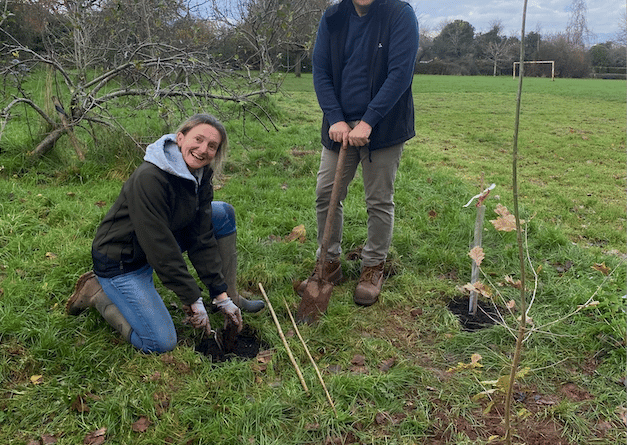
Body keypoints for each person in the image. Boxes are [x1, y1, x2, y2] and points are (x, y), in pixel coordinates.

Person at [66, 114, 264, 353]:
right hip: (122, 261)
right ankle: (98, 294)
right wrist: (192, 298)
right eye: (198, 139)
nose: (203, 150)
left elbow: (200, 237)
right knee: (160, 342)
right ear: (180, 138)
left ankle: (230, 297)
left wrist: (219, 293)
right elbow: (159, 246)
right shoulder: (150, 177)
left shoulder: (201, 175)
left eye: (212, 146)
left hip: (154, 244)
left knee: (220, 213)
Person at [298, 0, 419, 306]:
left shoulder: (399, 14)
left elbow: (400, 73)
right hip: (339, 125)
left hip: (383, 126)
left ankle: (373, 266)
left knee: (378, 198)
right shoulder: (333, 17)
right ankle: (329, 262)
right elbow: (321, 70)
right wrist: (336, 118)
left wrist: (368, 121)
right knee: (327, 193)